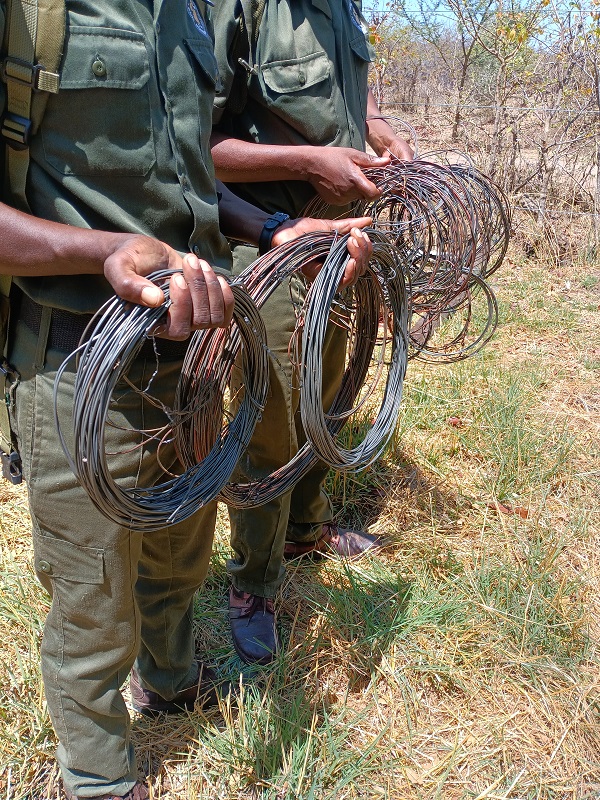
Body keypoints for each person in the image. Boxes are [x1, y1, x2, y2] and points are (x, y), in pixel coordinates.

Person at [0, 2, 372, 798]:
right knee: (93, 599)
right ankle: (98, 777)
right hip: (79, 354)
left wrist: (276, 233)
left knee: (179, 550)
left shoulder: (187, 10)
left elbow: (195, 184)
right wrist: (103, 251)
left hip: (197, 351)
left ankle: (170, 680)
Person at [211, 0, 415, 666]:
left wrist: (382, 134)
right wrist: (307, 164)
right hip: (267, 243)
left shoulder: (344, 7)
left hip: (342, 240)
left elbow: (354, 96)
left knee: (328, 392)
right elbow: (196, 144)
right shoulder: (239, 9)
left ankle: (304, 529)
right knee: (268, 418)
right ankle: (251, 585)